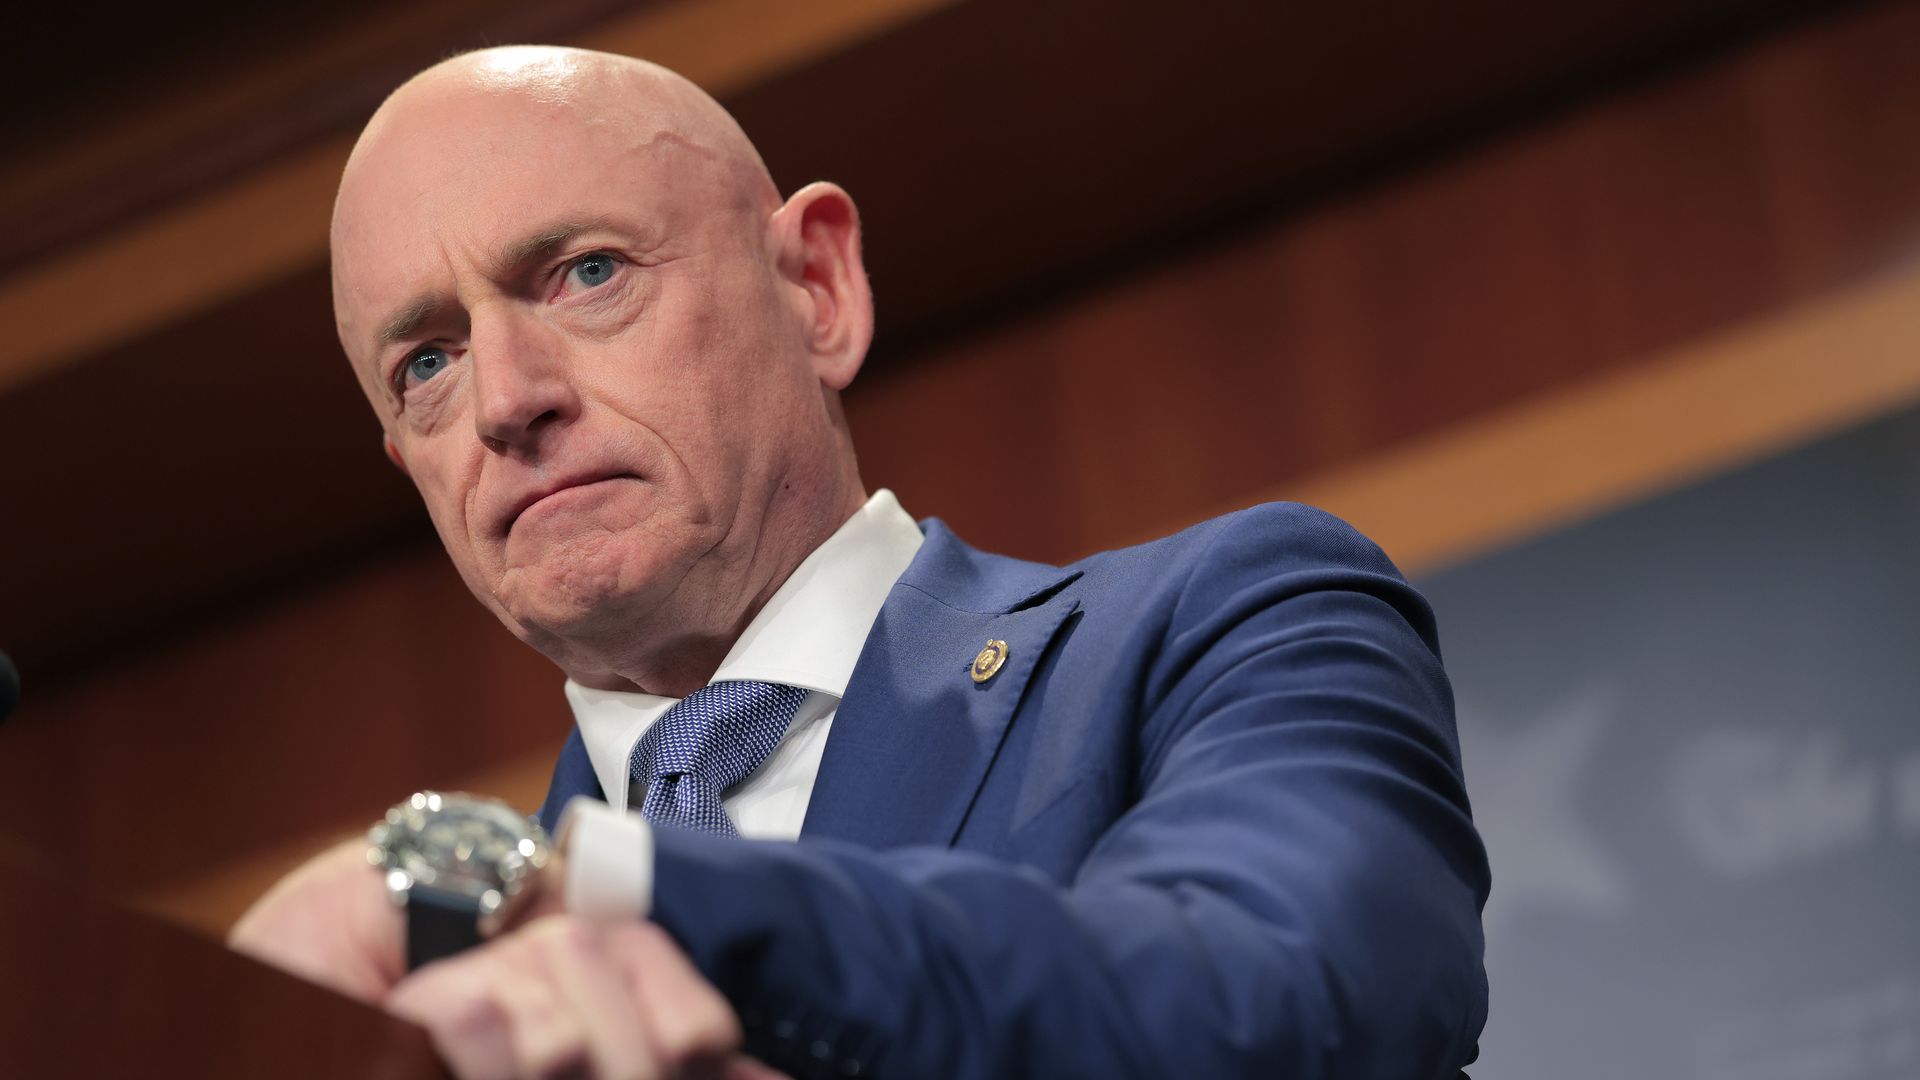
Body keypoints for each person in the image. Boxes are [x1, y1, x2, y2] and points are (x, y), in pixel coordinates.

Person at [230, 44, 1490, 1080]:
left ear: (818, 288)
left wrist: (601, 888)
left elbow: (1291, 1000)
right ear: (411, 460)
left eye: (585, 274)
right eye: (427, 365)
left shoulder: (1225, 623)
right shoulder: (421, 1003)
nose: (505, 399)